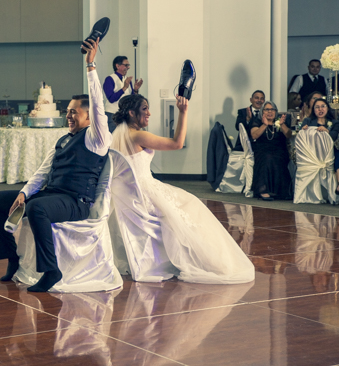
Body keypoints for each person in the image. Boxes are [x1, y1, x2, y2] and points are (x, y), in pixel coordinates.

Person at [0, 37, 111, 293]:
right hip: (52, 195)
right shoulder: (63, 139)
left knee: (37, 208)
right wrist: (23, 193)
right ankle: (12, 258)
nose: (69, 115)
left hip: (76, 202)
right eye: (68, 111)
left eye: (75, 112)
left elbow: (98, 105)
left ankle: (51, 270)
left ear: (89, 117)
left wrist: (91, 66)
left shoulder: (96, 139)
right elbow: (42, 172)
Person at [109, 94, 255, 284]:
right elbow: (177, 143)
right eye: (145, 109)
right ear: (131, 113)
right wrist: (183, 112)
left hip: (126, 194)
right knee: (191, 204)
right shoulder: (138, 135)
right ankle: (208, 260)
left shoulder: (116, 136)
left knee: (185, 204)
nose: (149, 113)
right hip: (145, 191)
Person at [300, 97, 339, 205]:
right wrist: (305, 130)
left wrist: (327, 131)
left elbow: (333, 137)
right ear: (314, 110)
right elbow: (301, 137)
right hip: (313, 154)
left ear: (328, 108)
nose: (320, 109)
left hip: (329, 152)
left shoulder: (335, 122)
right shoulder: (308, 121)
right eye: (317, 107)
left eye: (323, 106)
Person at [249, 101, 293, 201]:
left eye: (272, 109)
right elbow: (254, 135)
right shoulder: (257, 121)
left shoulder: (280, 121)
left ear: (276, 111)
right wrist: (264, 125)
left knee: (277, 158)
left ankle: (281, 192)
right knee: (267, 158)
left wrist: (282, 125)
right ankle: (263, 190)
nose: (270, 112)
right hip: (262, 150)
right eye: (267, 109)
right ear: (262, 112)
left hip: (279, 150)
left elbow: (289, 135)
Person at [103, 56, 143, 133]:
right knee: (113, 137)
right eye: (126, 65)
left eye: (128, 65)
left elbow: (131, 100)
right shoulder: (109, 79)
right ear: (117, 66)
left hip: (124, 114)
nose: (128, 67)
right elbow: (111, 99)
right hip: (112, 114)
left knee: (124, 137)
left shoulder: (127, 80)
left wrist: (135, 90)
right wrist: (124, 87)